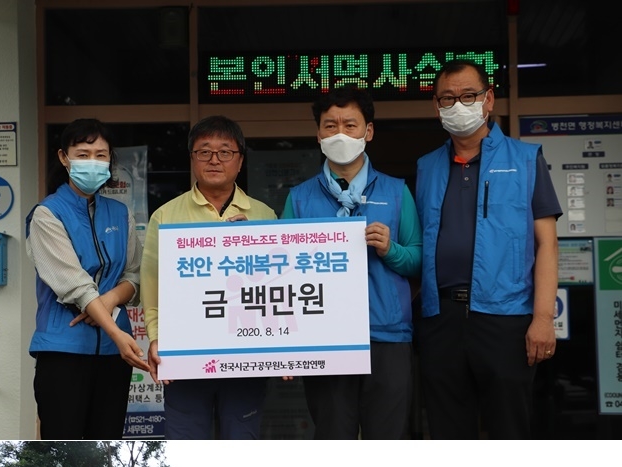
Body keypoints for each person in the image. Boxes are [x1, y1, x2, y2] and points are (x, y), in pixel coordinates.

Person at [414, 60, 563, 440]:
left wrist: (543, 318)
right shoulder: (427, 166)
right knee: (448, 432)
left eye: (468, 96)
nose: (457, 105)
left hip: (506, 319)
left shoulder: (526, 159)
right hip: (440, 317)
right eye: (447, 98)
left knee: (508, 431)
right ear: (436, 106)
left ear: (489, 99)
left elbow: (547, 243)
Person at [281, 86, 422, 440]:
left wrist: (392, 250)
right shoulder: (299, 199)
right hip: (324, 339)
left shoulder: (396, 191)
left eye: (350, 124)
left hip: (387, 336)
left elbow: (418, 260)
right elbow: (280, 270)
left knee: (388, 439)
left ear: (368, 132)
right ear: (318, 134)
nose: (340, 133)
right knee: (332, 436)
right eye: (330, 126)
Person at [140, 116, 277, 439]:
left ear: (240, 160)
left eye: (225, 152)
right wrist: (156, 337)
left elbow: (275, 289)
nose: (214, 160)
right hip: (186, 352)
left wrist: (281, 350)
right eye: (204, 152)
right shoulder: (166, 215)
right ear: (192, 159)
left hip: (247, 354)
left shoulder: (264, 215)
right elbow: (152, 284)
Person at [25, 118, 150, 439]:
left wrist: (108, 301)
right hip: (63, 351)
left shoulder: (120, 213)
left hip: (113, 356)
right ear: (64, 158)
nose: (92, 162)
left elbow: (133, 276)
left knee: (106, 443)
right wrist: (115, 331)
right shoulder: (47, 214)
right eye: (82, 154)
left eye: (100, 155)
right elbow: (73, 285)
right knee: (64, 444)